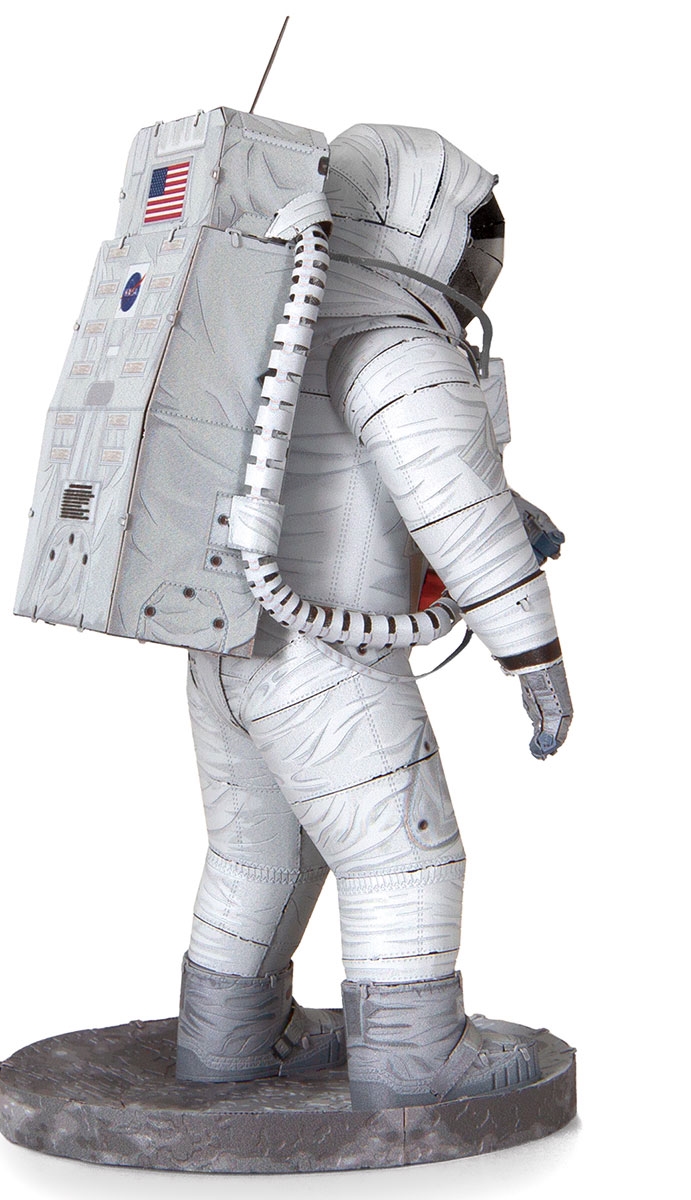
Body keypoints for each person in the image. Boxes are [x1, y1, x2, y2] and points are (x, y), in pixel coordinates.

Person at [174, 124, 573, 1111]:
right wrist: (536, 656)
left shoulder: (279, 320)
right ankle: (414, 1059)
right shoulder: (399, 345)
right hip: (327, 658)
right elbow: (456, 510)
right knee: (404, 848)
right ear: (420, 225)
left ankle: (228, 1040)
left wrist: (508, 504)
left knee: (257, 853)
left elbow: (355, 470)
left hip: (229, 643)